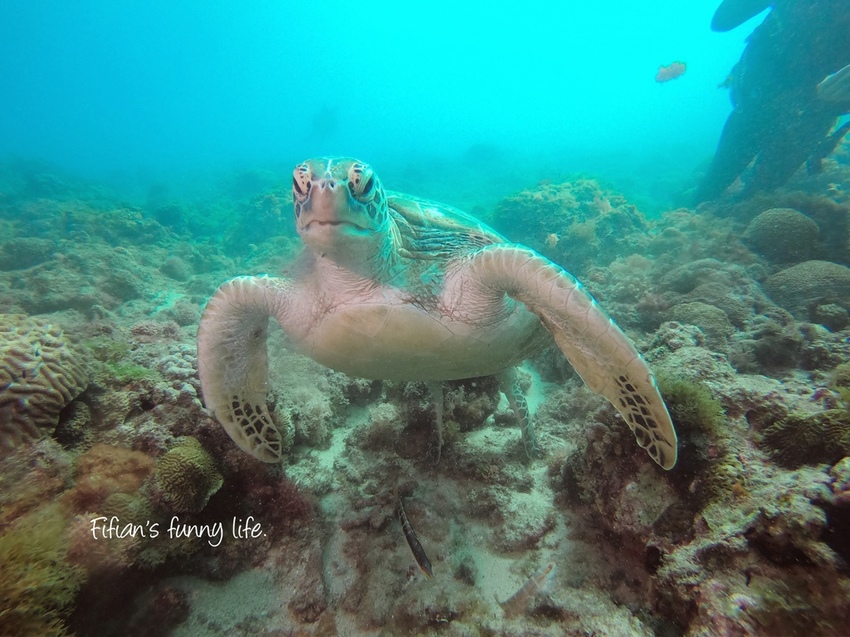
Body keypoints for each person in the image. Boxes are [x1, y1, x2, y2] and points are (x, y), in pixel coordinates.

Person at [694, 0, 850, 203]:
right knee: (709, 191)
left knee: (758, 198)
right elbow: (722, 22)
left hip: (813, 115)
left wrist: (830, 98)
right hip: (758, 100)